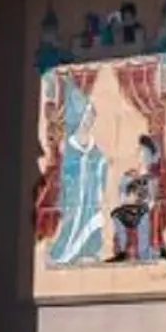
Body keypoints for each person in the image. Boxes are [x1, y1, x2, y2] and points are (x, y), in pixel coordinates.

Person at [51, 86, 108, 266]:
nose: (89, 119)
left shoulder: (93, 145)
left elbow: (100, 161)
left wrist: (99, 165)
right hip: (74, 197)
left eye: (91, 115)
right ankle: (67, 253)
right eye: (87, 115)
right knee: (72, 224)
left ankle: (90, 249)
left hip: (90, 194)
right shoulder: (68, 147)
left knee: (93, 220)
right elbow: (63, 171)